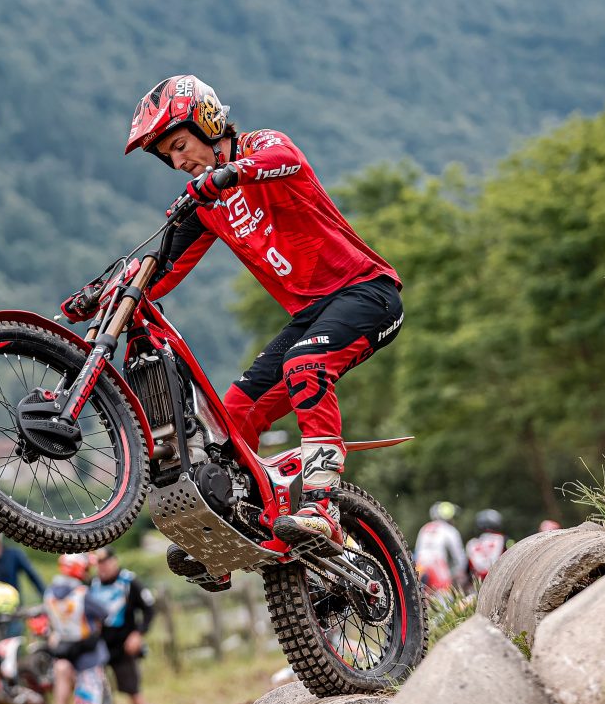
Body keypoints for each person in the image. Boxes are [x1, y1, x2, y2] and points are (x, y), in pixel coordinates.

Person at [116, 75, 404, 565]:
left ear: (208, 123)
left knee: (304, 365)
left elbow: (283, 159)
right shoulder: (205, 206)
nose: (178, 162)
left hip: (367, 293)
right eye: (168, 156)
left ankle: (323, 506)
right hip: (311, 315)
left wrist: (229, 175)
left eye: (181, 145)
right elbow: (159, 272)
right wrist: (103, 296)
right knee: (229, 419)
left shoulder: (262, 147)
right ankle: (241, 530)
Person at [89, 547, 156, 704]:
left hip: (123, 647)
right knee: (91, 693)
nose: (103, 567)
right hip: (99, 647)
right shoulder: (92, 585)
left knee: (133, 692)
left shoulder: (129, 582)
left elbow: (149, 608)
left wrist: (138, 634)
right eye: (98, 563)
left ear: (114, 561)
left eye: (106, 562)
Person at [44, 553, 111, 704]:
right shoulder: (82, 593)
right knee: (90, 696)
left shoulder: (50, 593)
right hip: (87, 651)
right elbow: (104, 612)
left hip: (64, 648)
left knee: (69, 690)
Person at [414, 501, 468, 595]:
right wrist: (462, 572)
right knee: (444, 600)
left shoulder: (425, 528)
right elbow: (459, 555)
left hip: (420, 565)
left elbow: (417, 551)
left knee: (421, 599)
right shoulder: (449, 530)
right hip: (437, 565)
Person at [466, 509, 510, 583]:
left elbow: (467, 568)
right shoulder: (503, 539)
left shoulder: (471, 543)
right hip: (500, 579)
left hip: (479, 582)